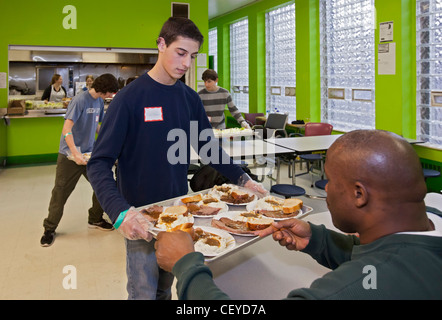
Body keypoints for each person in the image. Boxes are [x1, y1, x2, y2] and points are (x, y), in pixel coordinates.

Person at [86, 17, 267, 300]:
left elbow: (209, 149)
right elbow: (98, 162)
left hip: (178, 212)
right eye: (180, 53)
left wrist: (243, 178)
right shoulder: (129, 99)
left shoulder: (189, 99)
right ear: (161, 44)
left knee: (165, 289)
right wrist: (120, 212)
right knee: (143, 292)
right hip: (140, 215)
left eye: (192, 56)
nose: (186, 64)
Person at [155, 130, 442, 300]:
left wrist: (187, 266)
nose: (326, 189)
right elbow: (380, 263)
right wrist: (319, 240)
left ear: (359, 194)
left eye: (330, 180)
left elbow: (370, 276)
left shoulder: (347, 289)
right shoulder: (429, 229)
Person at [40, 73, 119, 247]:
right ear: (104, 90)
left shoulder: (99, 101)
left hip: (90, 155)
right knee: (60, 193)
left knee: (104, 185)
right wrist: (75, 153)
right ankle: (49, 229)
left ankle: (95, 218)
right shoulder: (79, 100)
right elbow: (66, 129)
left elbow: (97, 125)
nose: (111, 96)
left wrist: (108, 141)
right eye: (111, 92)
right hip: (70, 156)